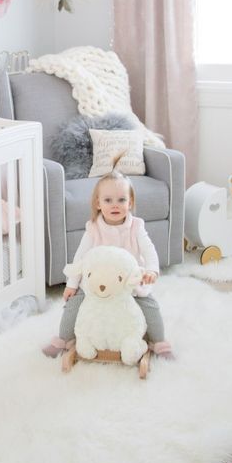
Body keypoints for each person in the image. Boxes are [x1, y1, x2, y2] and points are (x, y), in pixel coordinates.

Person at [42, 154, 174, 359]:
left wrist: (151, 270)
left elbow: (149, 250)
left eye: (121, 200)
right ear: (97, 204)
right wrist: (71, 284)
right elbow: (80, 258)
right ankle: (63, 339)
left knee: (149, 304)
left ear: (130, 203)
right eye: (108, 200)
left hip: (128, 283)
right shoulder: (93, 228)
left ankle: (159, 342)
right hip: (98, 284)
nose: (115, 205)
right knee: (73, 304)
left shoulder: (136, 227)